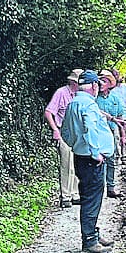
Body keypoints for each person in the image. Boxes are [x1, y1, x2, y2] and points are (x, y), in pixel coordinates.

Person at [61, 69, 115, 253]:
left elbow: (65, 132)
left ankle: (93, 233)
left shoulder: (72, 104)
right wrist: (96, 153)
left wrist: (75, 145)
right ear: (93, 86)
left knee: (87, 197)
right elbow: (91, 129)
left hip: (80, 156)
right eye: (98, 86)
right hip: (92, 160)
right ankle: (90, 241)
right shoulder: (89, 106)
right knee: (92, 199)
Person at [44, 68, 83, 208]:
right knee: (66, 165)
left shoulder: (80, 95)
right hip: (64, 132)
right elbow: (49, 112)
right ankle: (65, 196)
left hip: (78, 134)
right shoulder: (61, 93)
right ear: (74, 82)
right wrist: (55, 130)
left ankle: (75, 194)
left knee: (76, 164)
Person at [96, 70, 125, 198]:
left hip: (111, 132)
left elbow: (120, 118)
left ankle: (111, 187)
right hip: (97, 133)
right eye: (100, 81)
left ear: (110, 83)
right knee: (97, 160)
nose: (102, 83)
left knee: (111, 160)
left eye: (105, 81)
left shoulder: (115, 99)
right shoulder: (94, 98)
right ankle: (98, 188)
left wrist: (122, 136)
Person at [110, 68, 126, 161]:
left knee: (124, 137)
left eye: (116, 74)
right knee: (116, 137)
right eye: (113, 75)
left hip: (125, 115)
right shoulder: (109, 90)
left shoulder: (124, 87)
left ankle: (124, 155)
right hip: (114, 117)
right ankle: (117, 155)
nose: (116, 77)